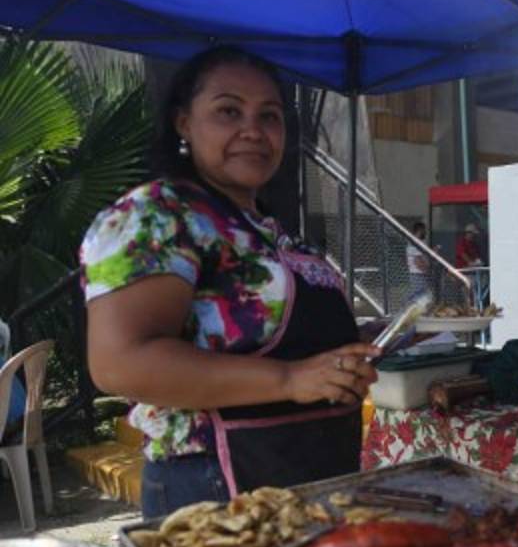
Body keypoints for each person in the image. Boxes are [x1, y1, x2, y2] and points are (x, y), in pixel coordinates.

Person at [81, 46, 379, 518]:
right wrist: (291, 378)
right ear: (184, 123)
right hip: (214, 488)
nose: (253, 131)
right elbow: (122, 362)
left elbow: (270, 338)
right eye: (228, 111)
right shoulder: (156, 215)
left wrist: (358, 345)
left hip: (310, 474)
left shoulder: (268, 230)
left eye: (270, 116)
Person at [407, 221, 431, 296]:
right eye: (424, 230)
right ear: (419, 230)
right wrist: (426, 271)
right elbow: (417, 261)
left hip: (421, 274)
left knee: (422, 296)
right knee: (419, 297)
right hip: (418, 274)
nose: (425, 232)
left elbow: (423, 256)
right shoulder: (413, 243)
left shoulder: (421, 242)